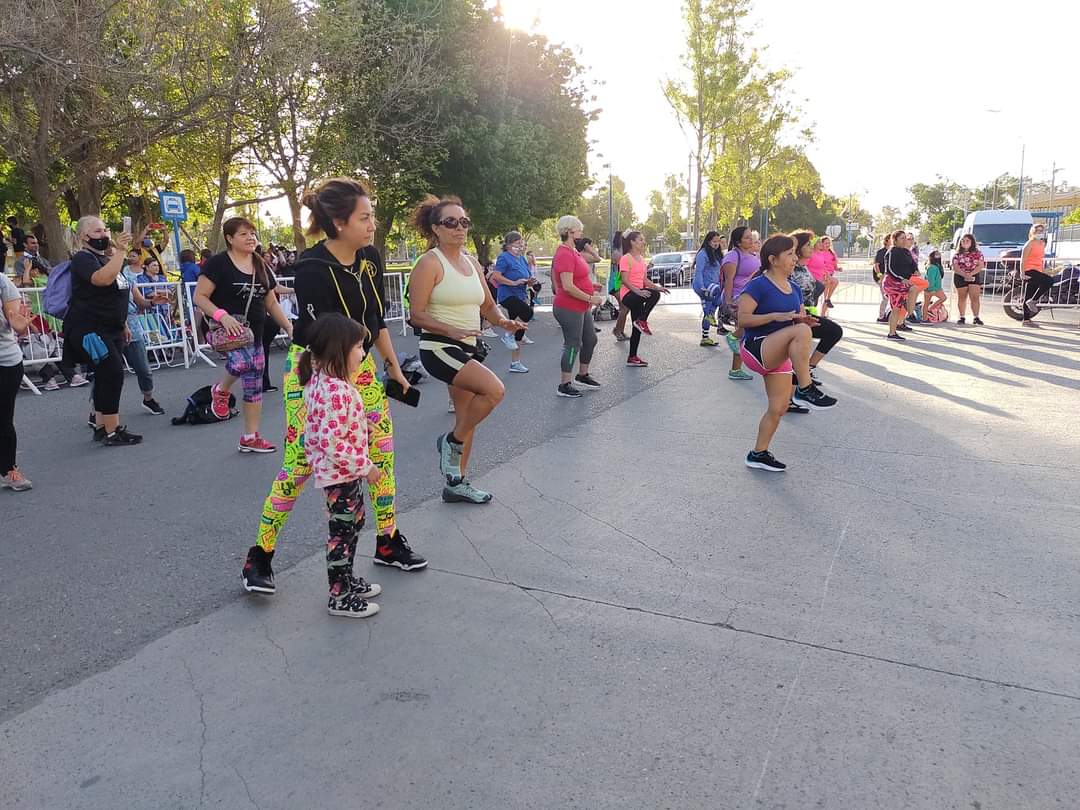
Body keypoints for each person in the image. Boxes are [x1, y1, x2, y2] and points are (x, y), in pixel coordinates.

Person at [245, 178, 426, 595]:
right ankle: (260, 556)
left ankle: (387, 540)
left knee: (381, 455)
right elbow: (318, 335)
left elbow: (376, 320)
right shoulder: (311, 267)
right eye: (365, 217)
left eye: (372, 216)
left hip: (358, 365)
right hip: (315, 369)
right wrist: (336, 389)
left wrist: (393, 367)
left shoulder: (370, 258)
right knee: (300, 464)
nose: (372, 224)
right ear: (340, 222)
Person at [408, 195, 527, 504]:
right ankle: (450, 442)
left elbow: (487, 305)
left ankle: (455, 482)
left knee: (467, 417)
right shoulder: (429, 263)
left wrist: (503, 322)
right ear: (436, 228)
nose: (459, 228)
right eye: (451, 222)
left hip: (467, 346)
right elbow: (416, 314)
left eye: (464, 222)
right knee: (494, 391)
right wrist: (451, 330)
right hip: (439, 347)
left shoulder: (472, 262)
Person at [298, 313, 384, 617]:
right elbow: (331, 442)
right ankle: (339, 595)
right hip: (341, 473)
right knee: (342, 532)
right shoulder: (333, 390)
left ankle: (345, 581)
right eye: (358, 347)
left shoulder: (330, 385)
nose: (363, 353)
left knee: (353, 524)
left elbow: (330, 427)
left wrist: (362, 426)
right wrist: (366, 466)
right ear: (339, 349)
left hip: (342, 472)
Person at [194, 217, 293, 453]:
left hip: (253, 333)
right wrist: (222, 316)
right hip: (223, 330)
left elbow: (270, 301)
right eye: (243, 234)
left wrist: (288, 326)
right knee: (242, 362)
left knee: (254, 385)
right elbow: (200, 296)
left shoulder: (260, 264)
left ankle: (250, 437)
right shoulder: (218, 264)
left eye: (252, 234)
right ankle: (220, 390)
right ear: (229, 238)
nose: (251, 238)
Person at [739, 235, 837, 472]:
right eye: (790, 254)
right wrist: (776, 317)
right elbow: (742, 320)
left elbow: (797, 320)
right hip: (757, 348)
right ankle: (804, 388)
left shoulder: (793, 288)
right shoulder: (758, 285)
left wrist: (803, 320)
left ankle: (758, 453)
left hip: (779, 352)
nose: (795, 259)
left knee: (779, 407)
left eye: (795, 253)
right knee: (801, 331)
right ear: (773, 259)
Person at [63, 218, 141, 445]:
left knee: (106, 375)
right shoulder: (82, 259)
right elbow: (102, 280)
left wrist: (123, 323)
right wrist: (121, 251)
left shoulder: (104, 258)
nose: (104, 234)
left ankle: (100, 425)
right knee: (112, 374)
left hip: (111, 328)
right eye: (97, 231)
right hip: (90, 329)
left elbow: (117, 291)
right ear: (84, 237)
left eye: (105, 229)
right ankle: (112, 430)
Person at [786, 230, 843, 413]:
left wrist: (821, 285)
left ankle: (806, 371)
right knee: (831, 332)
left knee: (833, 332)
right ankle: (797, 388)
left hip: (806, 315)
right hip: (793, 318)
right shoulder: (790, 269)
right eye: (808, 245)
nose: (812, 248)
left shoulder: (803, 268)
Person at [551, 215, 605, 397]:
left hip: (581, 306)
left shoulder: (573, 251)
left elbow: (578, 277)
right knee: (573, 344)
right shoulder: (564, 253)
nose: (581, 232)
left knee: (590, 340)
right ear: (569, 232)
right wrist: (591, 297)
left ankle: (582, 375)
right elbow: (567, 286)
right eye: (578, 229)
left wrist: (592, 287)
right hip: (568, 307)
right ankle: (564, 384)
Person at [1, 271, 33, 489]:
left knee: (3, 419)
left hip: (5, 361)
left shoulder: (2, 281)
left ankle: (8, 469)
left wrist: (20, 326)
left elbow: (16, 322)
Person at [619, 230, 668, 367]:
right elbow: (625, 280)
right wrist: (638, 291)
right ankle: (642, 320)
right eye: (640, 239)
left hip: (639, 294)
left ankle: (632, 357)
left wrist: (657, 287)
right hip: (628, 295)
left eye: (643, 239)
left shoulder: (641, 259)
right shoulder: (626, 258)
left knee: (637, 328)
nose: (643, 242)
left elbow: (644, 280)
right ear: (632, 242)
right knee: (654, 295)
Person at [490, 231, 534, 373]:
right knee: (528, 313)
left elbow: (525, 276)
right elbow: (496, 276)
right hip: (507, 296)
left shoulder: (521, 259)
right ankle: (508, 334)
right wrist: (513, 283)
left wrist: (530, 282)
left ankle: (515, 363)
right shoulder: (504, 257)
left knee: (520, 328)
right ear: (509, 245)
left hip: (520, 295)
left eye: (521, 242)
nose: (520, 245)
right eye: (517, 242)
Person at [721, 226, 760, 380]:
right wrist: (729, 300)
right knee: (743, 330)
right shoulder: (732, 256)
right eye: (747, 237)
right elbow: (729, 280)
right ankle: (734, 339)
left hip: (751, 295)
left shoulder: (752, 254)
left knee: (745, 333)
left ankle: (736, 370)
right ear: (738, 241)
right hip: (738, 296)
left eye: (751, 237)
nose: (751, 240)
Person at [883, 230, 920, 341]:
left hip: (903, 283)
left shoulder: (907, 252)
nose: (904, 240)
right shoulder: (891, 252)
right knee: (895, 309)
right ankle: (892, 333)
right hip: (892, 283)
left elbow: (913, 265)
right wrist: (901, 279)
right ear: (895, 240)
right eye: (902, 238)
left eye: (905, 238)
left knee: (913, 289)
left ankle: (909, 312)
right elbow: (889, 269)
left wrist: (916, 271)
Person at [692, 230, 726, 346]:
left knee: (710, 309)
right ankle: (710, 315)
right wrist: (701, 287)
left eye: (718, 241)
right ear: (708, 241)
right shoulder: (702, 254)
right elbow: (699, 272)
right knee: (717, 293)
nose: (716, 244)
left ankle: (705, 337)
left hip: (714, 284)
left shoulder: (717, 254)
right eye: (714, 241)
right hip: (704, 285)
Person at [1020, 223, 1052, 327]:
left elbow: (1039, 259)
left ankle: (1026, 320)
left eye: (1041, 230)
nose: (1040, 232)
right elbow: (1023, 259)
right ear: (1033, 232)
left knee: (1029, 294)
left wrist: (1044, 270)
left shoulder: (1042, 243)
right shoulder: (1030, 243)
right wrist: (1022, 273)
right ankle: (1033, 301)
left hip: (1038, 270)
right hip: (1029, 270)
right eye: (1038, 230)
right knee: (1049, 281)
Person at [952, 234, 985, 325]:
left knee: (975, 297)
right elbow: (955, 267)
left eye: (967, 241)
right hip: (960, 276)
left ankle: (976, 317)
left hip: (974, 276)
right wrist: (964, 275)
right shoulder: (957, 254)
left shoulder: (978, 253)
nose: (965, 242)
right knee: (962, 298)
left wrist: (970, 274)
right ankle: (962, 317)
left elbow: (980, 265)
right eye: (963, 241)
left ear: (972, 242)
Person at [806, 235, 839, 312]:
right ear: (814, 244)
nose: (821, 244)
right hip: (813, 280)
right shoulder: (810, 254)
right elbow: (805, 266)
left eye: (828, 243)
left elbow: (823, 266)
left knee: (834, 282)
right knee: (813, 300)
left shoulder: (821, 253)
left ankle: (826, 302)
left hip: (821, 278)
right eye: (819, 242)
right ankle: (816, 314)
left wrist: (828, 275)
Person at [610, 232, 630, 341]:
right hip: (615, 284)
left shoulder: (621, 252)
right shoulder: (617, 253)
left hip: (619, 283)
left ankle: (619, 330)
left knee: (625, 309)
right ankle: (617, 331)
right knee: (624, 308)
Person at [921, 250, 947, 321]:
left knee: (926, 303)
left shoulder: (937, 266)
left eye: (939, 254)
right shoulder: (932, 267)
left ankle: (925, 318)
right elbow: (930, 279)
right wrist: (931, 289)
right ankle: (927, 313)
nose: (938, 255)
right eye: (936, 254)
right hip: (933, 288)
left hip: (935, 288)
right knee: (943, 298)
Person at [873, 234, 892, 323]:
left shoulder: (893, 251)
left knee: (891, 297)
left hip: (891, 277)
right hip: (883, 277)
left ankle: (889, 314)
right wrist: (880, 276)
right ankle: (881, 316)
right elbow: (876, 265)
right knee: (885, 297)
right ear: (887, 240)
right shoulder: (881, 252)